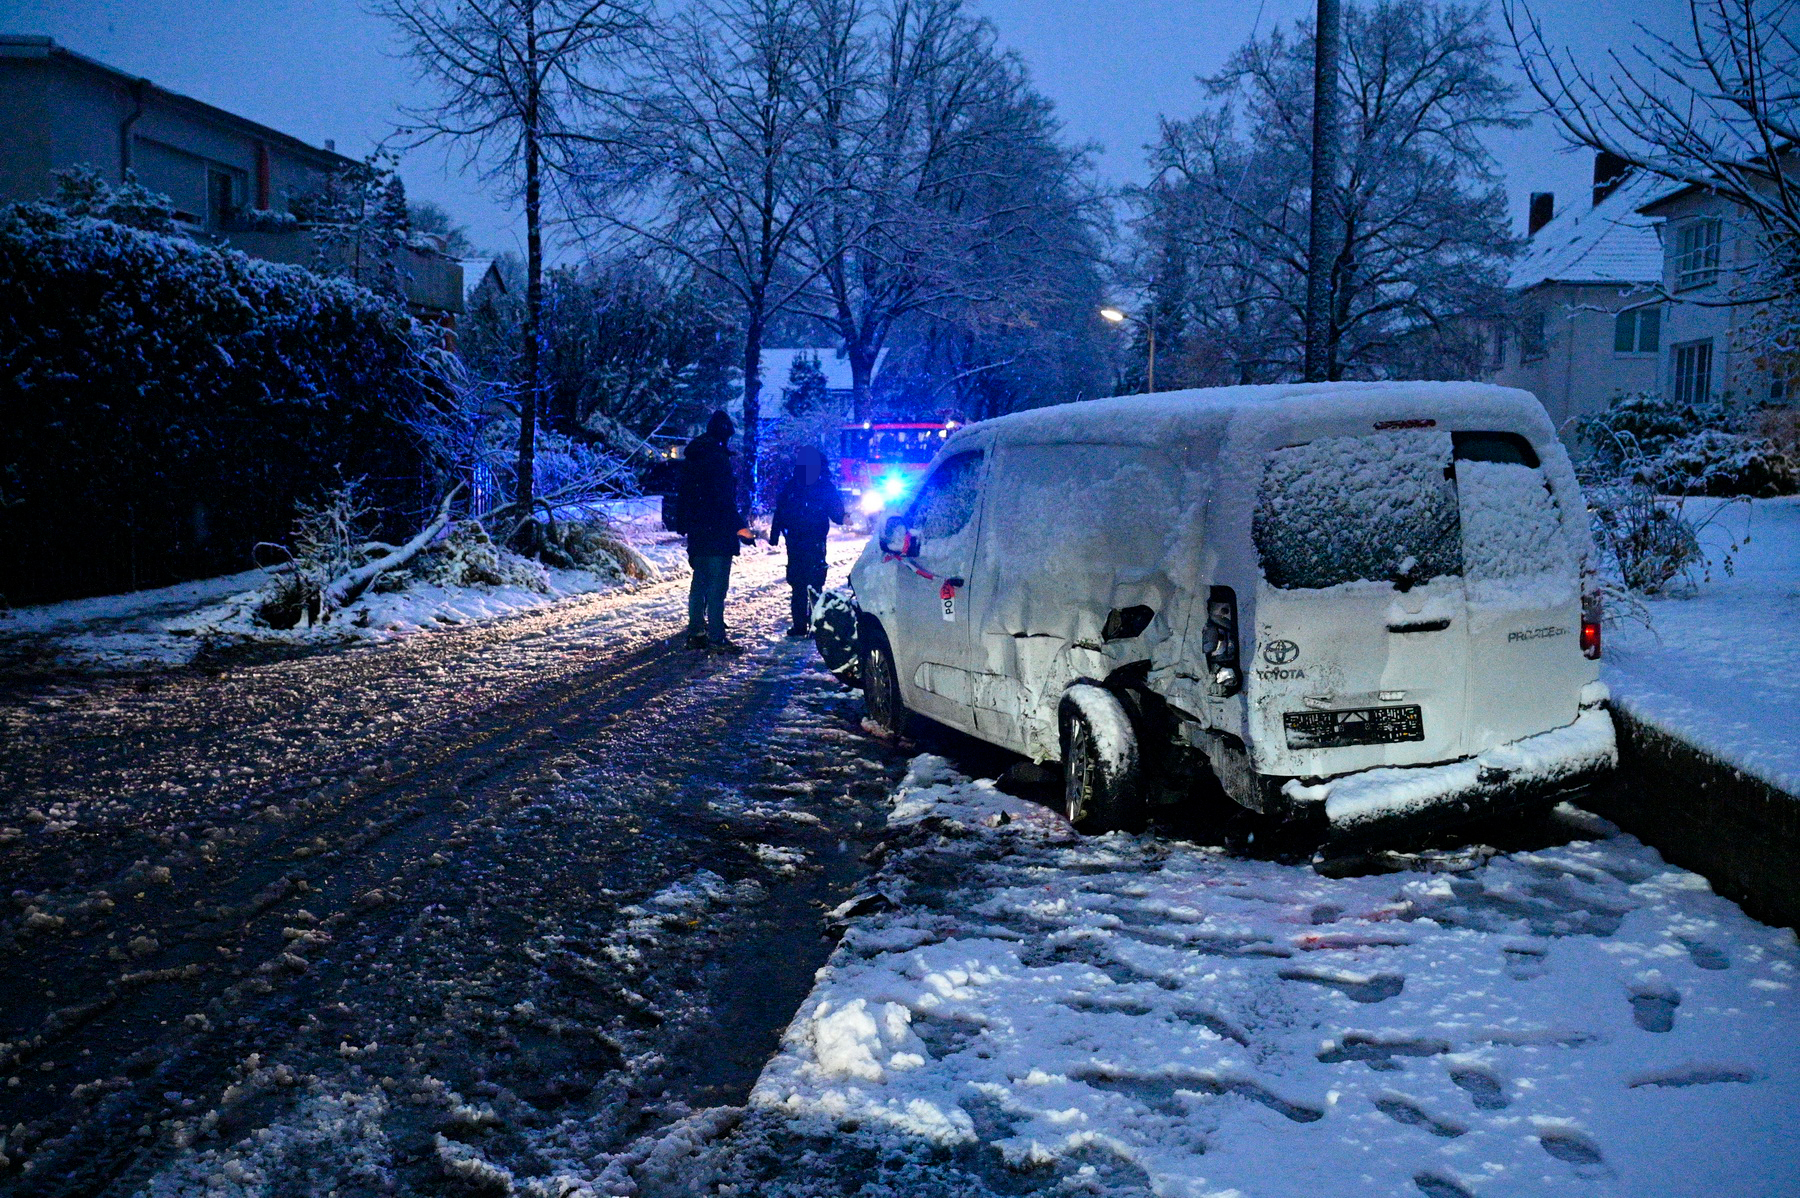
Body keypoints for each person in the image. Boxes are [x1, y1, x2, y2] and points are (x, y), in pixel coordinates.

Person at [674, 410, 754, 653]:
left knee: (700, 582)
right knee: (717, 587)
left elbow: (685, 495)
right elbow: (724, 500)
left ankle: (696, 632)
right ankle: (717, 637)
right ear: (724, 435)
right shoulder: (718, 460)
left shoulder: (693, 458)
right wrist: (740, 527)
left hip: (698, 531)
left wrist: (686, 523)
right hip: (717, 531)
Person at [769, 445, 846, 637]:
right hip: (815, 539)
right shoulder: (823, 485)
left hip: (795, 539)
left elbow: (780, 509)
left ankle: (799, 625)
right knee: (815, 582)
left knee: (798, 584)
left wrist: (775, 533)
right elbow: (835, 510)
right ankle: (815, 623)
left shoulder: (793, 484)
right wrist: (843, 517)